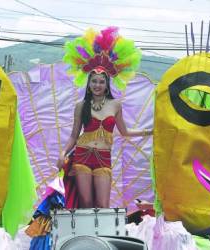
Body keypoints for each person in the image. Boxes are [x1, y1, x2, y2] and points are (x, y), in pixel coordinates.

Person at [57, 27, 151, 208]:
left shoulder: (115, 105)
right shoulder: (81, 106)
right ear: (89, 84)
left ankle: (99, 236)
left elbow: (125, 132)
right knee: (86, 202)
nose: (97, 85)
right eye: (94, 81)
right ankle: (85, 236)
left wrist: (151, 131)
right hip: (82, 155)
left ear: (107, 85)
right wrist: (62, 153)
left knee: (102, 204)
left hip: (103, 157)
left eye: (101, 81)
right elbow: (73, 136)